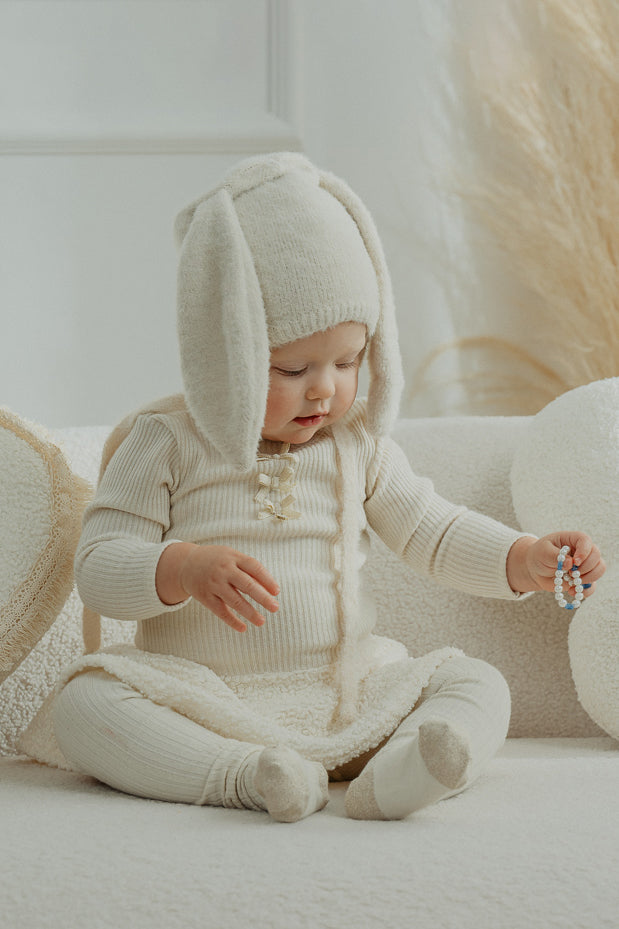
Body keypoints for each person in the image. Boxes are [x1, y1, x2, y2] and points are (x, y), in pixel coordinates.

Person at [52, 153, 605, 822]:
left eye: (347, 360)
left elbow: (433, 529)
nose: (324, 387)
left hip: (346, 692)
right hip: (204, 698)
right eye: (290, 366)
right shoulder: (164, 441)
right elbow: (99, 569)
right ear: (222, 354)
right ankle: (247, 777)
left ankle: (404, 771)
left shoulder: (356, 448)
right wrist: (181, 567)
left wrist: (525, 558)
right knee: (84, 702)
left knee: (476, 681)